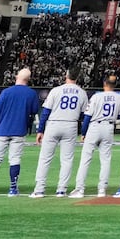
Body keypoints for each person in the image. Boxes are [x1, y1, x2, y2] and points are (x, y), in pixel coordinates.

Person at [0, 68, 39, 197]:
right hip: (19, 130)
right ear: (28, 79)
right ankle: (13, 188)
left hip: (2, 130)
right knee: (15, 160)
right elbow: (34, 110)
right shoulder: (31, 93)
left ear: (17, 76)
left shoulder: (6, 92)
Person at [34, 67, 88, 197]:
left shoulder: (56, 90)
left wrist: (40, 130)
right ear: (78, 77)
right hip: (71, 124)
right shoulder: (82, 92)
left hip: (54, 123)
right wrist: (82, 130)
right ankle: (61, 190)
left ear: (66, 75)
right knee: (67, 159)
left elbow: (45, 112)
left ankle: (39, 190)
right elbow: (83, 115)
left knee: (45, 158)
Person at [74, 75, 120, 198]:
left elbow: (87, 116)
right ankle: (102, 190)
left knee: (86, 159)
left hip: (95, 126)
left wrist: (83, 133)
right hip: (109, 127)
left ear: (104, 84)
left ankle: (80, 190)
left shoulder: (96, 96)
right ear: (115, 85)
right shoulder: (119, 98)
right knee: (106, 160)